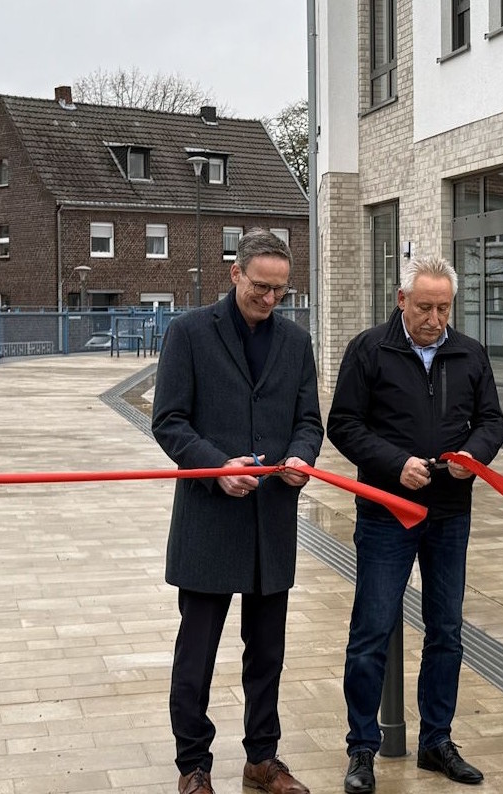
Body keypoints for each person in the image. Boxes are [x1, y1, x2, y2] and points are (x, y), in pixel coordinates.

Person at [327, 253, 503, 794]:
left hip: (450, 513)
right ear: (401, 300)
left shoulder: (469, 352)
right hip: (386, 511)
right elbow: (344, 424)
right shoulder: (368, 350)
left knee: (446, 630)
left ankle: (437, 740)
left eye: (444, 308)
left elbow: (493, 420)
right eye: (425, 307)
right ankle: (362, 748)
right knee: (372, 630)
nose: (435, 318)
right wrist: (393, 464)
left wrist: (473, 454)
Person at [152, 230, 324, 794]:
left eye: (280, 290)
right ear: (235, 274)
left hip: (270, 522)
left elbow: (308, 421)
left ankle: (262, 759)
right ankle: (193, 765)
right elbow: (168, 421)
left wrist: (301, 456)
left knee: (267, 653)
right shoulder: (188, 333)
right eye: (260, 287)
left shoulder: (296, 342)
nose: (270, 299)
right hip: (209, 521)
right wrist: (215, 467)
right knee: (197, 653)